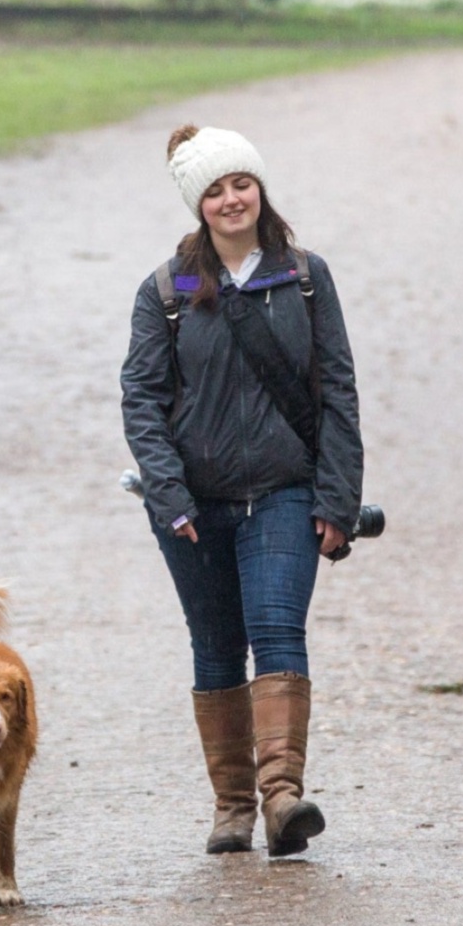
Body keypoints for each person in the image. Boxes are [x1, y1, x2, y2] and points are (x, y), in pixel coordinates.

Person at [120, 124, 364, 859]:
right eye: (215, 190)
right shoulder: (174, 287)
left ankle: (282, 797)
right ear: (197, 204)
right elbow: (141, 398)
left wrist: (339, 499)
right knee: (216, 646)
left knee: (277, 631)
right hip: (194, 506)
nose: (232, 199)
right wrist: (168, 497)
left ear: (260, 187)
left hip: (285, 494)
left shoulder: (305, 278)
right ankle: (232, 807)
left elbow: (339, 391)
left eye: (241, 183)